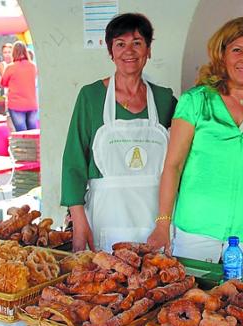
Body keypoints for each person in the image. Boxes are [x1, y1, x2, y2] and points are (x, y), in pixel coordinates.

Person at [147, 17, 243, 279]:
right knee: (190, 306)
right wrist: (163, 223)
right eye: (237, 50)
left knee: (241, 308)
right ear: (222, 55)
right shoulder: (196, 101)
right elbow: (173, 165)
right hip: (196, 230)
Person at [61, 13, 177, 252]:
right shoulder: (91, 96)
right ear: (110, 52)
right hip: (106, 217)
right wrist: (79, 220)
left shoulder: (165, 100)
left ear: (148, 50)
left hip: (155, 219)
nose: (129, 51)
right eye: (120, 44)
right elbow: (73, 162)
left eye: (137, 43)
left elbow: (178, 163)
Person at [1, 41, 39, 131]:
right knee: (33, 132)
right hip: (31, 104)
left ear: (13, 53)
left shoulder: (10, 67)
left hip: (16, 105)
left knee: (22, 133)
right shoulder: (33, 66)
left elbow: (3, 83)